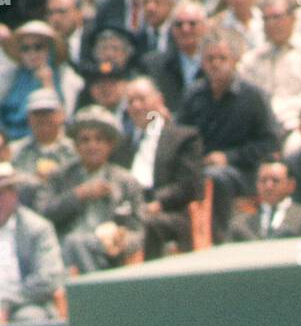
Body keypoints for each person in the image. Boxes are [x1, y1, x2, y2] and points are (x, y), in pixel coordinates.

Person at [178, 28, 280, 243]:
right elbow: (181, 138)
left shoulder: (253, 96)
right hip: (199, 169)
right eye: (210, 58)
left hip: (245, 173)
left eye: (222, 58)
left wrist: (229, 157)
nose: (215, 64)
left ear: (235, 59)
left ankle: (220, 242)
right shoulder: (193, 95)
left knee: (217, 177)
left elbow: (270, 143)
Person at [37, 103, 145, 272]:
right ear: (75, 146)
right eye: (85, 140)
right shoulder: (59, 176)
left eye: (99, 140)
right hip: (65, 254)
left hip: (107, 254)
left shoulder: (126, 181)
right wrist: (78, 195)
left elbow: (139, 231)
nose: (92, 146)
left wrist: (122, 241)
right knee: (75, 242)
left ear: (110, 145)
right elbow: (42, 216)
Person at [112, 75, 203, 256]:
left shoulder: (183, 138)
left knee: (147, 224)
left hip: (168, 210)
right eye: (131, 102)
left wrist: (158, 202)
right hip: (128, 209)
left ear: (159, 100)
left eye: (142, 99)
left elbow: (187, 185)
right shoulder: (121, 145)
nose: (136, 106)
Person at [0, 161, 66, 326]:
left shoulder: (38, 228)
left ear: (14, 195)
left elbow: (48, 278)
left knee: (28, 320)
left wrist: (7, 302)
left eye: (2, 193)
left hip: (25, 303)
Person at [239, 0, 301, 140]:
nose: (272, 24)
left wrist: (277, 110)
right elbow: (245, 99)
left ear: (293, 18)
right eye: (266, 19)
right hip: (259, 131)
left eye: (277, 17)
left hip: (300, 128)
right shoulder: (251, 60)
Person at [0, 20, 84, 139]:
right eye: (25, 48)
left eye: (38, 47)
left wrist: (48, 84)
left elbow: (64, 119)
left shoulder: (66, 77)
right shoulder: (12, 76)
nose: (32, 53)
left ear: (50, 50)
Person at [10, 88, 78, 208]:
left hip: (66, 214)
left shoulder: (75, 150)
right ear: (29, 118)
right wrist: (34, 180)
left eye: (48, 112)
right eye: (37, 113)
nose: (43, 118)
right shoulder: (14, 150)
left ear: (61, 115)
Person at [140, 0, 207, 114]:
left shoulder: (214, 63)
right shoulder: (153, 65)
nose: (185, 29)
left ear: (205, 27)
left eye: (192, 24)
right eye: (179, 24)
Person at [227, 157, 301, 238]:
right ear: (257, 185)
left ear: (291, 185)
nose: (269, 186)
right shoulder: (239, 225)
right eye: (263, 180)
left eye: (275, 180)